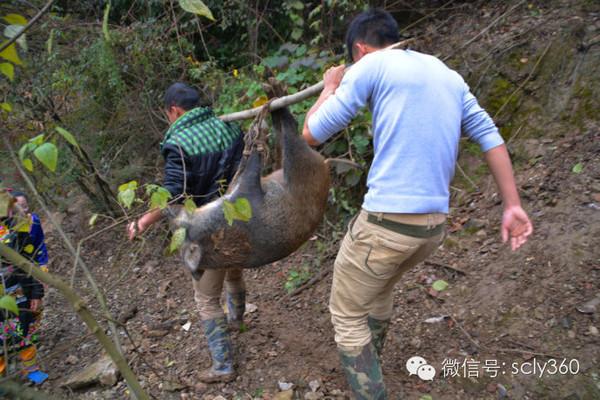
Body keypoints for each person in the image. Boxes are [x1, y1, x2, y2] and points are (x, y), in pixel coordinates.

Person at [302, 9, 533, 399]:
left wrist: (330, 87)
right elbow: (490, 136)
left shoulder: (370, 65)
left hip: (385, 225)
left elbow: (311, 134)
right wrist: (512, 205)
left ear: (360, 49)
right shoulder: (447, 74)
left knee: (346, 314)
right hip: (431, 228)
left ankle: (368, 388)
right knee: (379, 290)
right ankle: (370, 363)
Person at [128, 83, 246, 383]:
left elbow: (172, 193)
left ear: (174, 111)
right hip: (237, 215)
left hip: (204, 226)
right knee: (234, 269)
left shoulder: (178, 142)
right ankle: (236, 319)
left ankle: (223, 366)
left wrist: (143, 221)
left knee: (206, 298)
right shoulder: (228, 126)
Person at [0, 190, 46, 383]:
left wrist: (36, 292)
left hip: (20, 290)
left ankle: (31, 369)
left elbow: (30, 260)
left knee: (25, 329)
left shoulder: (19, 230)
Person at [11, 191, 49, 272]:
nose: (22, 210)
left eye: (24, 206)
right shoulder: (7, 226)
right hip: (15, 268)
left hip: (34, 264)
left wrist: (43, 264)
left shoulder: (34, 220)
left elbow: (39, 242)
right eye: (18, 207)